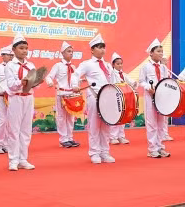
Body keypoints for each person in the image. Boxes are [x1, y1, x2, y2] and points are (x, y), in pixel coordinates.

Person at [74, 34, 116, 164]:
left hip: (107, 98)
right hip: (94, 97)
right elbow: (76, 74)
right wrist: (75, 85)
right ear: (92, 50)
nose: (102, 50)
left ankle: (105, 152)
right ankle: (94, 153)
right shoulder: (87, 64)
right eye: (99, 47)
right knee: (94, 125)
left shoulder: (108, 65)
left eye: (103, 47)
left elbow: (113, 81)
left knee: (106, 125)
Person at [4, 33, 37, 171]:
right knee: (14, 130)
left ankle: (23, 159)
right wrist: (21, 82)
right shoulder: (9, 66)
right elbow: (11, 85)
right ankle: (13, 160)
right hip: (16, 98)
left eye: (26, 48)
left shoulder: (31, 65)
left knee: (26, 130)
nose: (24, 51)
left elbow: (36, 83)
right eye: (21, 48)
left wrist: (36, 81)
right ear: (14, 49)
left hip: (28, 97)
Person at [140, 38, 171, 158]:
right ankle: (152, 149)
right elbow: (141, 82)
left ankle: (160, 147)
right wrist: (149, 88)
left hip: (162, 97)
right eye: (158, 51)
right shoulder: (146, 67)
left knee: (161, 123)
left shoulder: (163, 67)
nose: (161, 53)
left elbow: (167, 81)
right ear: (151, 53)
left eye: (162, 51)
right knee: (152, 123)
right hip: (150, 97)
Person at [46, 41, 81, 149]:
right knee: (61, 117)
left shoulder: (74, 67)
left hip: (71, 94)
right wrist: (50, 82)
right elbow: (48, 77)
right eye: (68, 51)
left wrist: (78, 84)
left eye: (72, 52)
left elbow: (76, 80)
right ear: (62, 53)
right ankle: (63, 139)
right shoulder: (58, 65)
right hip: (62, 94)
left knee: (70, 117)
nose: (71, 53)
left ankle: (70, 138)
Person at [109, 52, 135, 144]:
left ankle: (121, 136)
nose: (120, 65)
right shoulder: (112, 74)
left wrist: (134, 83)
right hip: (115, 98)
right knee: (115, 117)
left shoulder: (123, 74)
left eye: (121, 63)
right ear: (113, 64)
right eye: (117, 64)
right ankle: (113, 137)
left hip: (123, 98)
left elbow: (130, 81)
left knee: (123, 117)